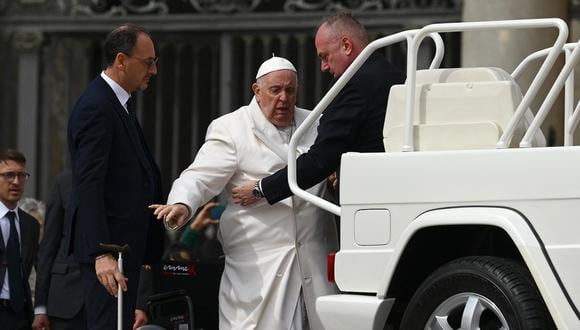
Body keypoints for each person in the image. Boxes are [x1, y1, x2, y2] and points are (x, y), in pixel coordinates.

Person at [150, 56, 338, 329]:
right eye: (275, 90)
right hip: (259, 267)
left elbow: (330, 169)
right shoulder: (232, 128)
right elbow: (200, 176)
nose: (283, 98)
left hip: (314, 259)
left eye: (290, 90)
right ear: (256, 91)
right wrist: (182, 203)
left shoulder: (316, 123)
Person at [231, 12, 405, 206]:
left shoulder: (352, 84)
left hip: (372, 200)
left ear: (346, 46)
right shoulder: (394, 74)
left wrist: (261, 189)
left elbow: (321, 159)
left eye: (325, 56)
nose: (323, 67)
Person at [65, 24, 164, 329]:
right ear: (121, 60)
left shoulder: (117, 103)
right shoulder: (97, 106)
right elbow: (88, 184)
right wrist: (100, 252)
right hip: (110, 256)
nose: (154, 71)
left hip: (123, 250)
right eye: (148, 63)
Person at [32, 170, 88, 330]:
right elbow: (48, 247)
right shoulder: (64, 182)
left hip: (111, 299)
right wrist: (40, 307)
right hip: (64, 300)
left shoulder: (121, 180)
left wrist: (139, 303)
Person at [0, 149, 40, 329]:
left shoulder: (31, 225)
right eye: (9, 175)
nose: (16, 182)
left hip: (22, 316)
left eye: (21, 175)